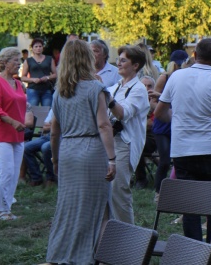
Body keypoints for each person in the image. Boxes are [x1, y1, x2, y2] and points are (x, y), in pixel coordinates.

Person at [154, 38, 211, 264]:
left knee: (189, 206)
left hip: (183, 150)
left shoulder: (176, 77)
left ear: (194, 55)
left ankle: (193, 255)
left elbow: (159, 112)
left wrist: (178, 120)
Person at [46, 40, 116, 264]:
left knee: (68, 208)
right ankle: (97, 258)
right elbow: (104, 125)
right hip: (92, 150)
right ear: (87, 59)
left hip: (67, 150)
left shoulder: (59, 92)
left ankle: (62, 253)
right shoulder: (95, 88)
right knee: (101, 210)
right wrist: (112, 159)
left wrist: (55, 159)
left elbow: (54, 132)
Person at [107, 45, 150, 224]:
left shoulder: (139, 89)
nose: (118, 63)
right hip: (110, 142)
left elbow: (123, 114)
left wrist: (106, 97)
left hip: (125, 143)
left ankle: (127, 234)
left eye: (123, 60)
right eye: (118, 59)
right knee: (107, 191)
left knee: (118, 191)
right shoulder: (117, 86)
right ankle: (109, 231)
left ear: (135, 65)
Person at [0, 47, 28, 221]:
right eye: (15, 60)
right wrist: (12, 121)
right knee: (7, 172)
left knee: (15, 172)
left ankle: (8, 208)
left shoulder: (18, 83)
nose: (19, 64)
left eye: (20, 60)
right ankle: (1, 212)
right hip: (1, 132)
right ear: (5, 62)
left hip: (17, 133)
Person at [151, 50, 188, 202]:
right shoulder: (164, 77)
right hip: (163, 125)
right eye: (178, 64)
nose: (180, 67)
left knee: (180, 160)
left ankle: (177, 191)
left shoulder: (187, 78)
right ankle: (158, 192)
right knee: (165, 160)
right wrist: (165, 110)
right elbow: (153, 101)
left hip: (179, 125)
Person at [134, 75, 158, 189]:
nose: (147, 89)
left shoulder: (157, 104)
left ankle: (141, 178)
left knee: (137, 144)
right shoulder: (134, 100)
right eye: (144, 85)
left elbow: (150, 125)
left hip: (152, 138)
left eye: (149, 86)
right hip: (135, 135)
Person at [21, 38, 56, 106]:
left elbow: (55, 74)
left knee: (47, 110)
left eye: (40, 46)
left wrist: (47, 77)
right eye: (36, 46)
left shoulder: (49, 59)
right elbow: (23, 77)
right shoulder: (28, 60)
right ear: (32, 48)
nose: (38, 48)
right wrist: (33, 80)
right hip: (33, 89)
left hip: (46, 89)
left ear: (43, 48)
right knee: (32, 109)